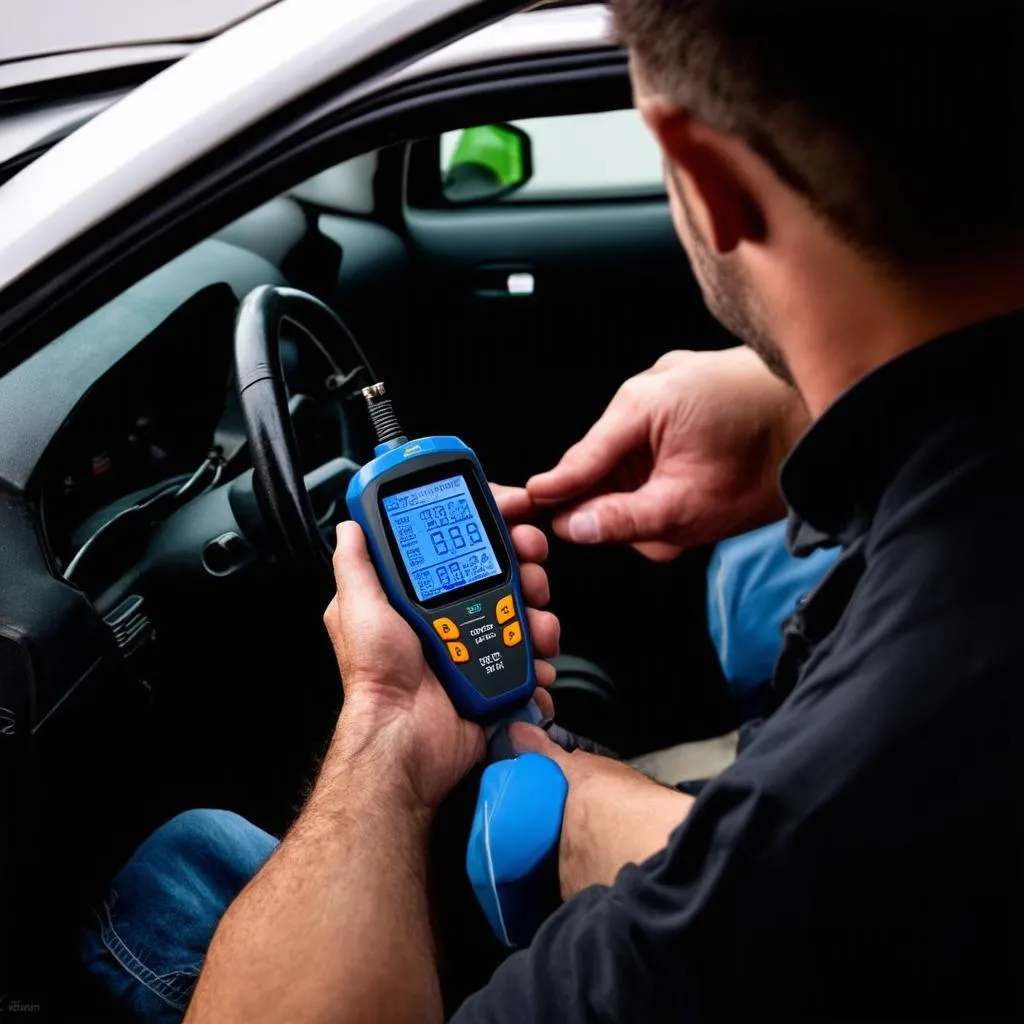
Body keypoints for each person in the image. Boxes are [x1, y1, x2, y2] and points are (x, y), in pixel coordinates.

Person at [85, 1, 1024, 1020]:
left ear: (701, 176)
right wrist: (791, 413)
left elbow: (790, 864)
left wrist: (391, 734)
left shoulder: (826, 817)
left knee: (178, 877)